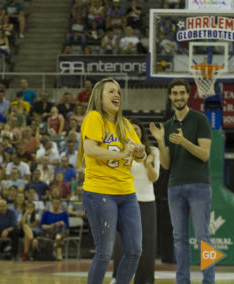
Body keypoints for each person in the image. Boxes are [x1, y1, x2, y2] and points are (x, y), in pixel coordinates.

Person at [77, 78, 145, 284]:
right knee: (104, 253)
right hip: (100, 192)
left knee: (135, 251)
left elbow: (138, 156)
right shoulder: (94, 117)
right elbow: (90, 150)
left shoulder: (124, 124)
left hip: (127, 193)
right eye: (111, 92)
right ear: (99, 96)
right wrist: (123, 153)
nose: (117, 95)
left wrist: (140, 153)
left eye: (119, 92)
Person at [149, 78, 214, 284]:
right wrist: (160, 141)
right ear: (170, 96)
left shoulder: (200, 120)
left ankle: (209, 281)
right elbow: (166, 165)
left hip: (199, 185)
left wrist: (184, 141)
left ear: (188, 95)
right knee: (179, 239)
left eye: (182, 93)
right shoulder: (167, 126)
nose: (178, 96)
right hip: (175, 187)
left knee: (204, 237)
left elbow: (205, 155)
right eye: (175, 93)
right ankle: (182, 281)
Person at [111, 118, 160, 284]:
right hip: (125, 200)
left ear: (142, 132)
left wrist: (148, 163)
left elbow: (154, 178)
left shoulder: (153, 151)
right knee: (120, 242)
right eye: (131, 129)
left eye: (137, 129)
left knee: (147, 243)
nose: (134, 132)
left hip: (147, 201)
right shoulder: (121, 151)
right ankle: (118, 277)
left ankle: (145, 280)